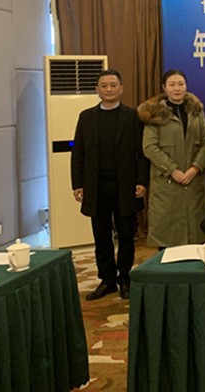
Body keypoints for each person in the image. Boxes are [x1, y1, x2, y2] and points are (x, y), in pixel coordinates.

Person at [71, 69, 149, 300]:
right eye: (104, 86)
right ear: (97, 90)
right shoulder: (86, 117)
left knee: (126, 235)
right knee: (101, 235)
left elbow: (141, 153)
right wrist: (78, 183)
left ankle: (124, 278)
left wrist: (141, 181)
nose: (108, 89)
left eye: (113, 85)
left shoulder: (132, 116)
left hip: (126, 185)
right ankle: (107, 280)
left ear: (121, 88)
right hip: (96, 186)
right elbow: (78, 153)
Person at [138, 69, 205, 248]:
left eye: (180, 84)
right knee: (167, 238)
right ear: (164, 88)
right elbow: (149, 147)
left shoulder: (196, 111)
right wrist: (173, 170)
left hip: (193, 182)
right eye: (172, 84)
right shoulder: (155, 114)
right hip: (167, 184)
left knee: (196, 237)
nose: (177, 88)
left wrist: (195, 168)